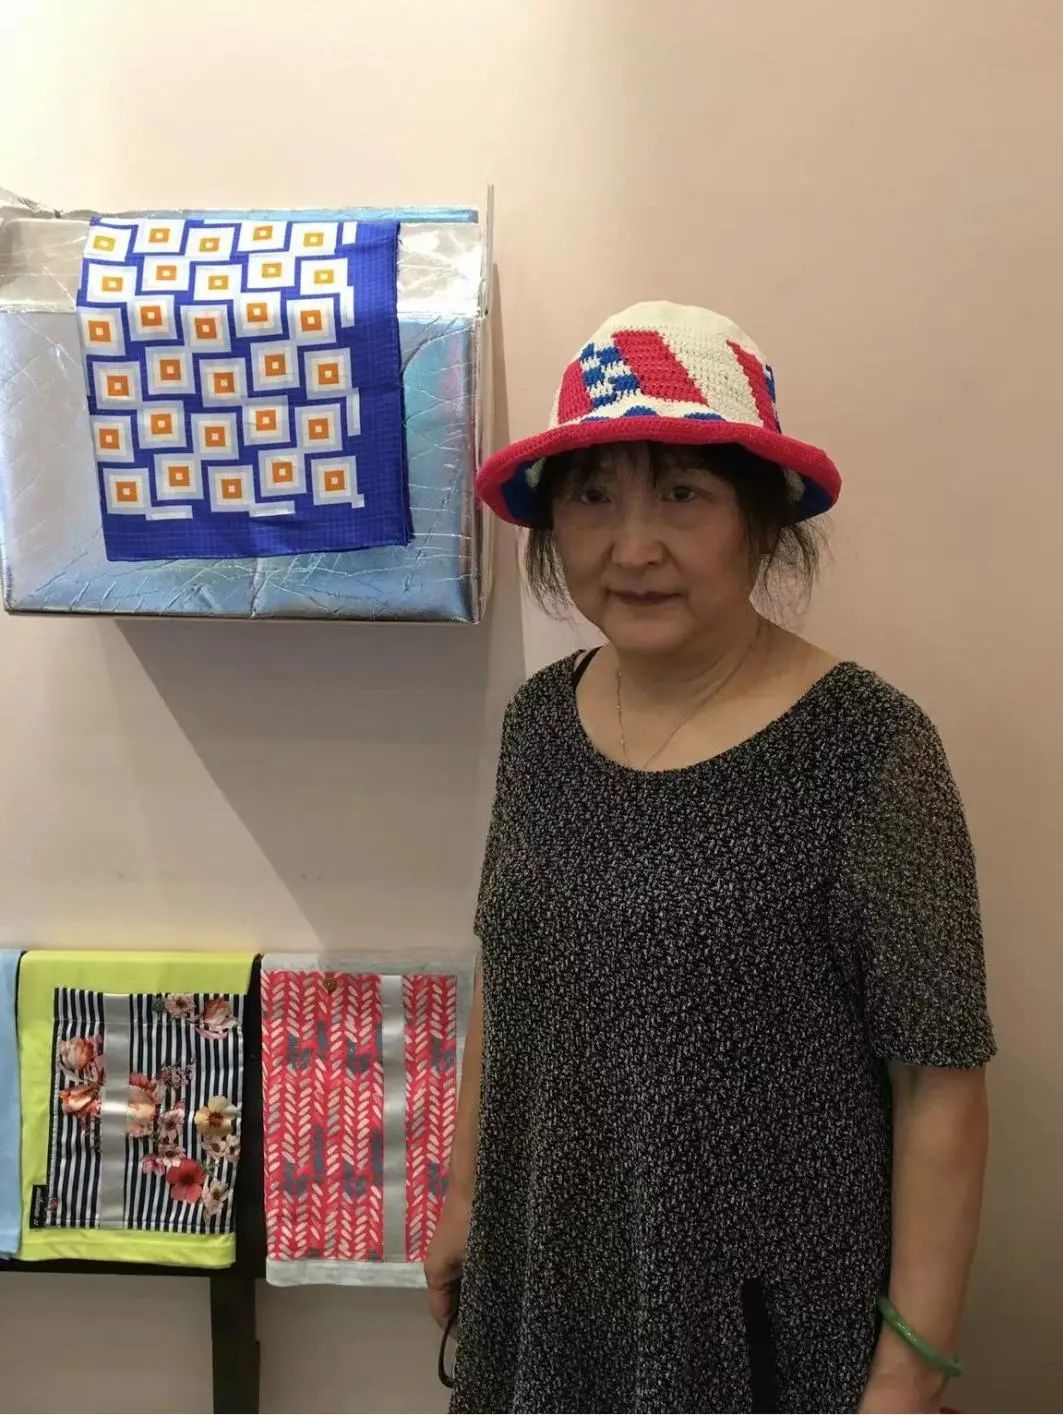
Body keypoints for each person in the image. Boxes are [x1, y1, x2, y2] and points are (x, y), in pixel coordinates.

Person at [425, 303, 994, 1414]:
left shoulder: (866, 746)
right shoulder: (539, 722)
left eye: (682, 495)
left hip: (759, 1323)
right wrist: (464, 1195)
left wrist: (910, 1369)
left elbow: (939, 1076)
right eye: (594, 497)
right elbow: (509, 969)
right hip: (549, 1287)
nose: (632, 547)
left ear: (761, 522)